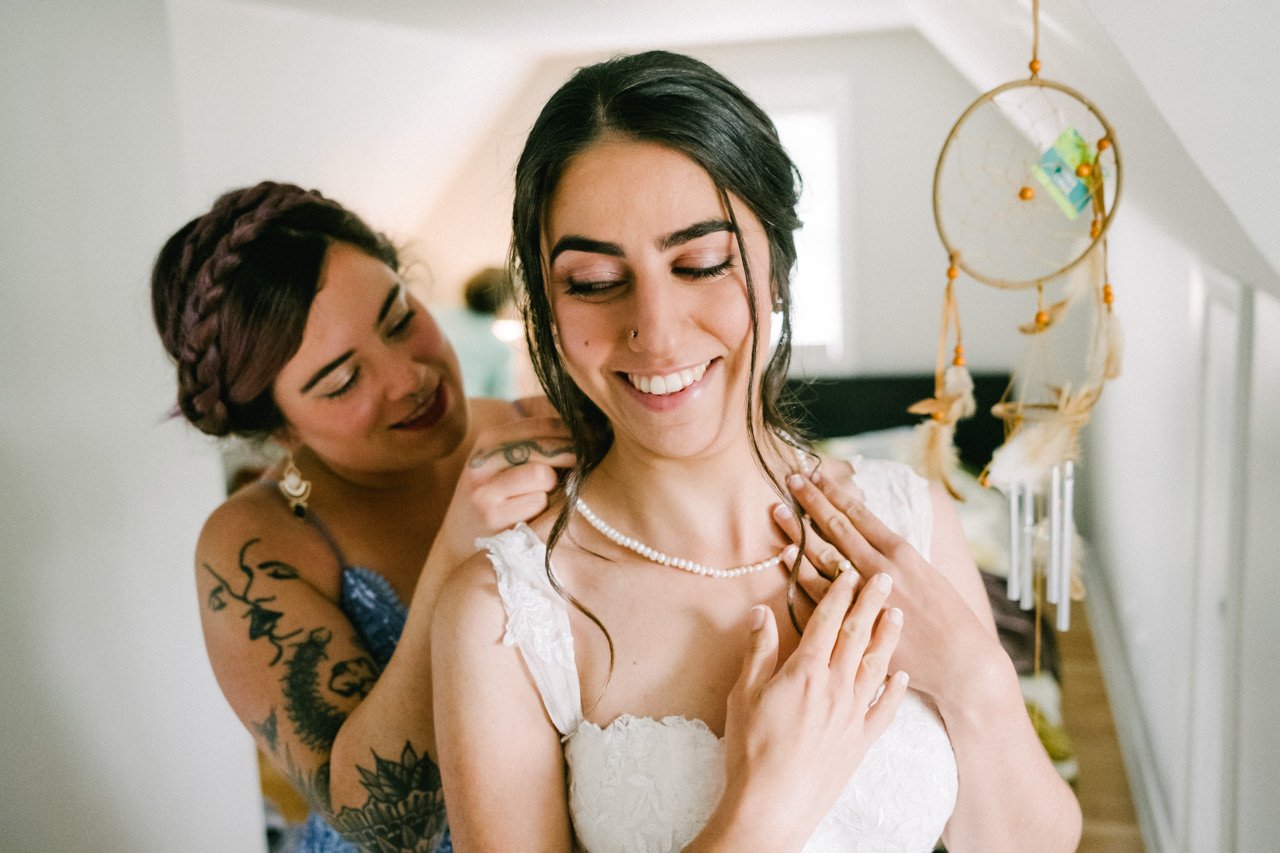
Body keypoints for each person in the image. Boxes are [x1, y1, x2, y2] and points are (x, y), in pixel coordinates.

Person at [431, 51, 1082, 851]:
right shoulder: (501, 614)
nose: (657, 330)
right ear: (548, 303)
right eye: (597, 280)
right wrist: (765, 805)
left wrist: (977, 680)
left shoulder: (907, 518)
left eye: (701, 263)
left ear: (775, 265)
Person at [150, 181, 574, 851]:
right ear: (279, 427)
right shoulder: (256, 546)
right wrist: (458, 549)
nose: (410, 377)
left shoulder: (542, 430)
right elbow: (387, 827)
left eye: (401, 318)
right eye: (343, 380)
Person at [435, 266, 518, 399]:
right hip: (464, 410)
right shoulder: (498, 349)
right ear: (505, 302)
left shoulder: (435, 317)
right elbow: (503, 399)